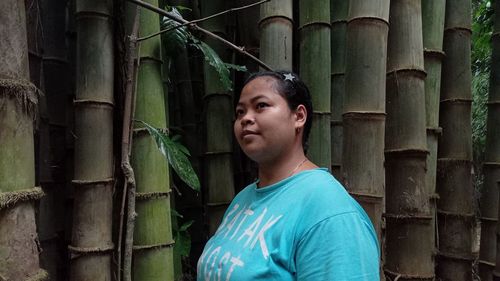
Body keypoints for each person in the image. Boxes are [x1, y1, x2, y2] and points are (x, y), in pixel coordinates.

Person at [197, 70, 380, 281]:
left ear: (299, 117)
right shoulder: (244, 198)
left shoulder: (328, 208)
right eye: (240, 112)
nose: (246, 118)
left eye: (261, 106)